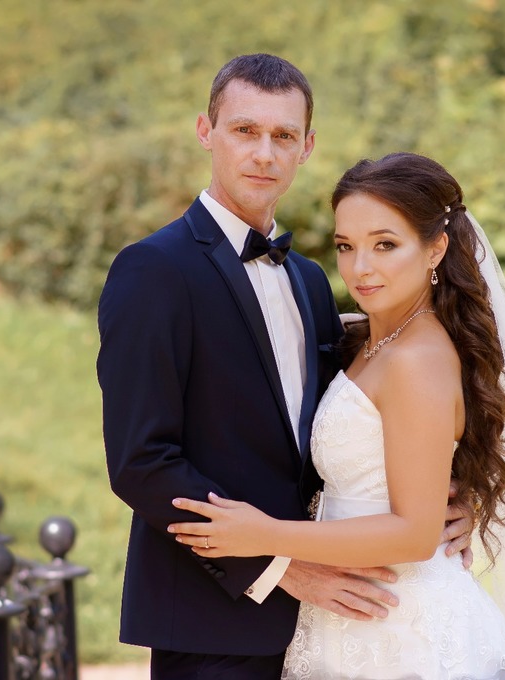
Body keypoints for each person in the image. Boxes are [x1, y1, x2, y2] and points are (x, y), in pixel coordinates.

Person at [96, 56, 477, 679]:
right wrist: (279, 566)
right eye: (245, 131)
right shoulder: (153, 271)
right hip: (215, 621)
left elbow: (375, 416)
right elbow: (142, 462)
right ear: (206, 131)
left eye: (283, 136)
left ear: (307, 147)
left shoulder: (310, 280)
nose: (263, 154)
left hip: (341, 619)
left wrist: (460, 497)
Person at [169, 152, 505, 679]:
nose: (360, 268)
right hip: (354, 615)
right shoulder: (371, 339)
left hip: (404, 631)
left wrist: (264, 535)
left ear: (436, 248)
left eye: (385, 244)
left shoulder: (416, 359)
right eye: (346, 246)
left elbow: (414, 534)